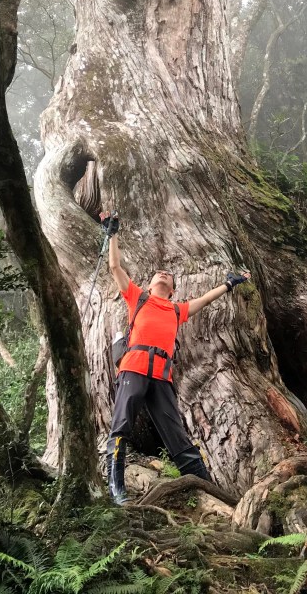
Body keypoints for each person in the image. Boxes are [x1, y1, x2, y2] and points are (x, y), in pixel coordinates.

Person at [101, 212, 251, 504]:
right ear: (149, 284)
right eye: (158, 273)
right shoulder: (138, 298)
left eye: (168, 275)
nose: (163, 273)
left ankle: (206, 490)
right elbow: (114, 266)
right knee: (122, 425)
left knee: (176, 433)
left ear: (172, 290)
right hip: (133, 367)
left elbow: (205, 300)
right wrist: (112, 234)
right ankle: (116, 490)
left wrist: (229, 284)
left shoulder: (177, 310)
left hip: (162, 376)